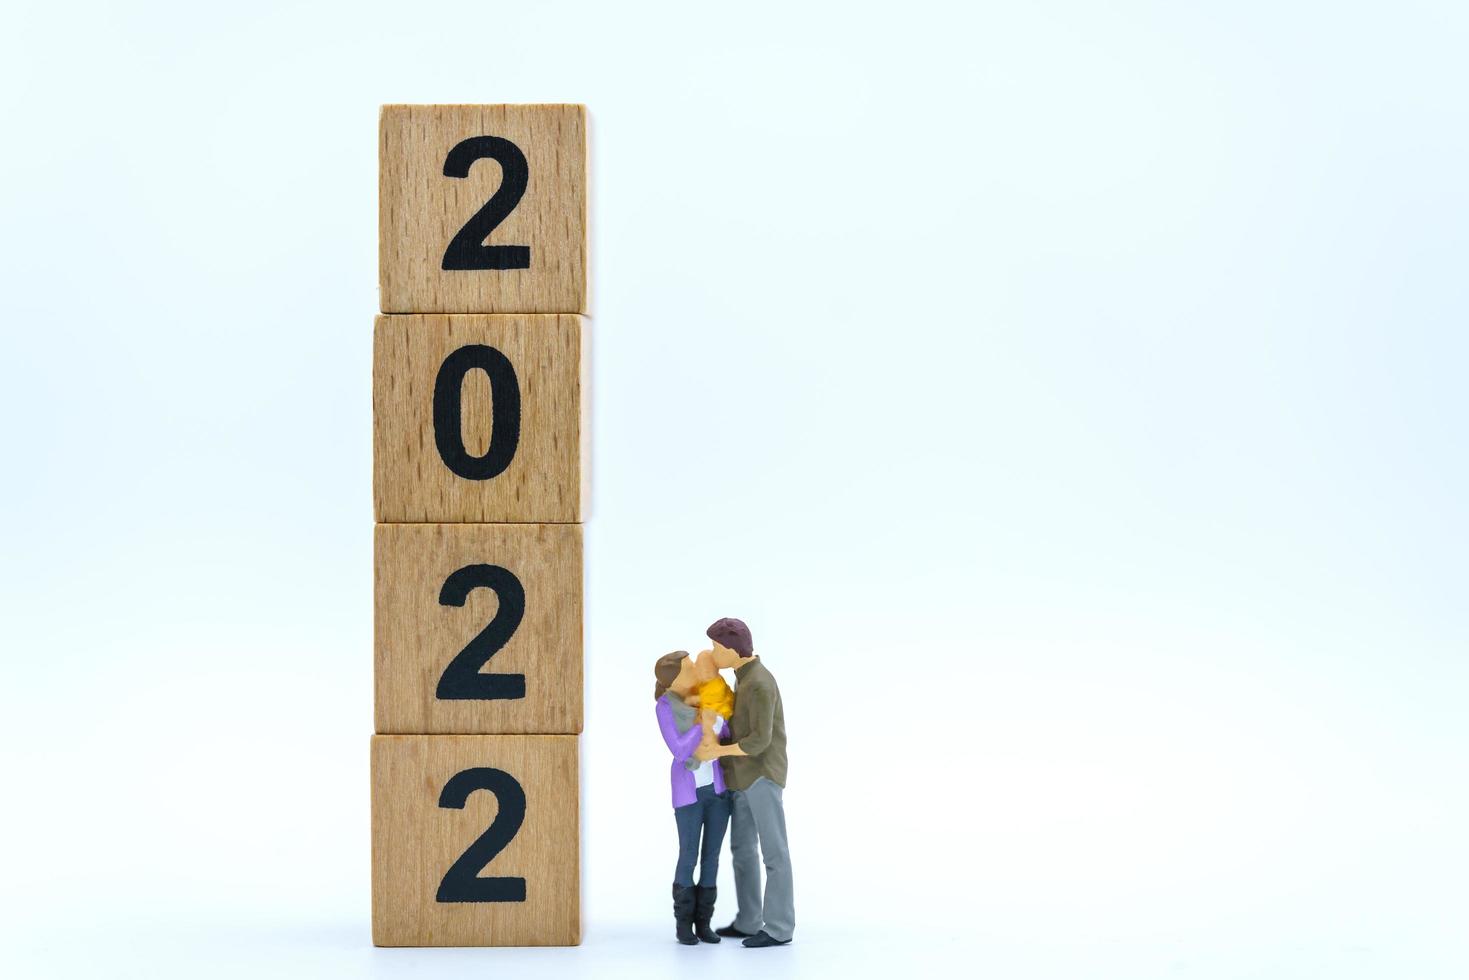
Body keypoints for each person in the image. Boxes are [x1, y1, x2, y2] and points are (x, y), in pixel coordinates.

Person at [694, 617, 794, 948]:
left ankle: (779, 927)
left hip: (762, 775)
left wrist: (718, 750)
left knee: (774, 852)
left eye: (715, 648)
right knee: (742, 849)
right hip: (742, 777)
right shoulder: (743, 679)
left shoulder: (760, 683)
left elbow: (759, 741)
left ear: (731, 650)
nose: (712, 654)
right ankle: (750, 920)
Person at [654, 650, 732, 945]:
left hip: (717, 789)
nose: (694, 674)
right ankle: (683, 925)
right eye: (687, 670)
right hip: (689, 792)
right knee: (688, 856)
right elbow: (679, 749)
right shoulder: (665, 706)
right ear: (672, 681)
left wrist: (715, 719)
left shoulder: (705, 695)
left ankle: (704, 923)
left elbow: (724, 731)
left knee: (711, 857)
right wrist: (703, 722)